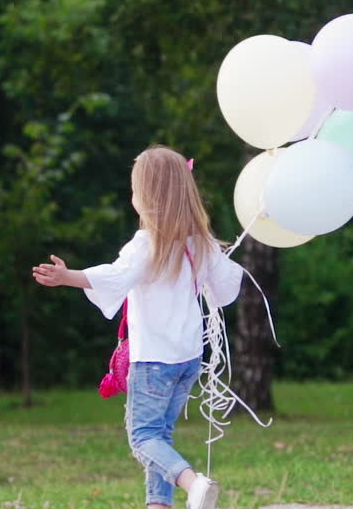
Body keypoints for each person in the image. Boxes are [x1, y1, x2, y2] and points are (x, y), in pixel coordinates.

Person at [33, 145, 244, 509]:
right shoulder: (200, 243)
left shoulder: (146, 244)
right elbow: (225, 289)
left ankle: (193, 483)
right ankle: (158, 505)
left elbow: (115, 277)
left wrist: (68, 277)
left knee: (143, 437)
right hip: (188, 359)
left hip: (153, 362)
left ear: (147, 197)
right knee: (161, 434)